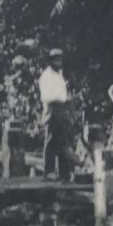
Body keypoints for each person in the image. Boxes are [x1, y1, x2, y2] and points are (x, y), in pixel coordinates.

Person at [39, 48, 78, 181]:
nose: (59, 62)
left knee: (63, 142)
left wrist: (67, 100)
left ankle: (64, 173)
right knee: (51, 140)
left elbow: (62, 93)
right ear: (50, 61)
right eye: (56, 59)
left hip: (62, 109)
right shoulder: (46, 76)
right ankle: (48, 170)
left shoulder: (59, 75)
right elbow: (46, 96)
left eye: (60, 59)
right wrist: (61, 98)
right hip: (52, 109)